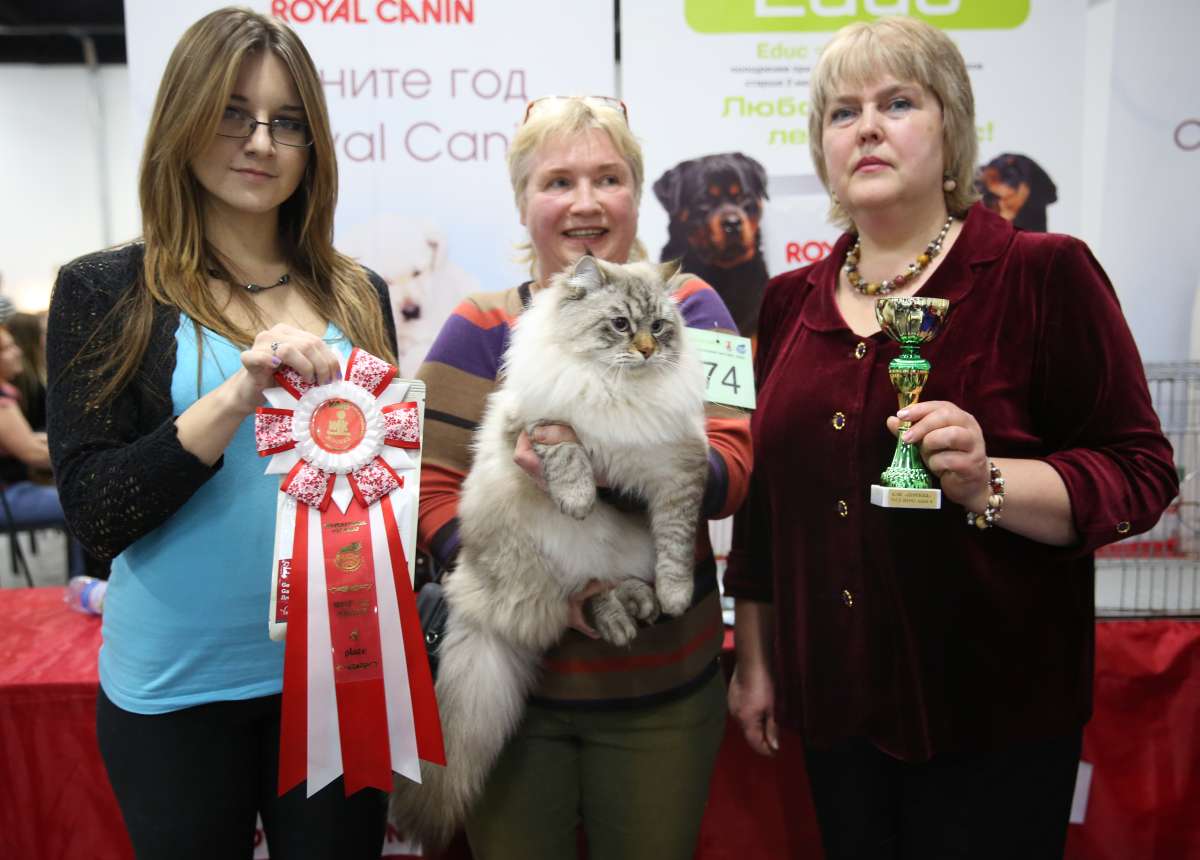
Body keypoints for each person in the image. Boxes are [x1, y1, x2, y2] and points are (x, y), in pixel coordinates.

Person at [723, 17, 1178, 860]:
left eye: (898, 103)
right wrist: (755, 658)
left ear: (951, 129)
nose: (867, 127)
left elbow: (1141, 471)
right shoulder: (787, 300)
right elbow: (765, 511)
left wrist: (988, 481)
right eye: (842, 112)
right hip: (834, 708)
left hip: (994, 715)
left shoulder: (1044, 273)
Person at [46, 9, 395, 859]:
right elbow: (96, 512)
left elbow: (381, 486)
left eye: (287, 122)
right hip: (176, 693)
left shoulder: (361, 293)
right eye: (234, 114)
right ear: (186, 117)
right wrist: (237, 395)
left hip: (338, 679)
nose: (261, 143)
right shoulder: (106, 290)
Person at [416, 96, 752, 859]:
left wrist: (600, 472)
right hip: (521, 690)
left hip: (660, 693)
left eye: (608, 178)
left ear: (636, 193)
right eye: (558, 182)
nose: (586, 203)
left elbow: (731, 471)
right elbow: (429, 489)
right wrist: (531, 588)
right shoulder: (479, 324)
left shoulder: (693, 307)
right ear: (523, 202)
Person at [0, 322, 85, 578]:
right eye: (6, 349)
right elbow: (32, 453)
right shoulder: (2, 403)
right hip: (9, 495)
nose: (17, 351)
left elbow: (30, 440)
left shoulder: (8, 395)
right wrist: (88, 455)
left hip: (14, 490)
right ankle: (83, 581)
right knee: (83, 503)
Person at [7, 311, 48, 431]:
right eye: (42, 332)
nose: (46, 337)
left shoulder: (33, 367)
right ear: (31, 336)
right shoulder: (20, 373)